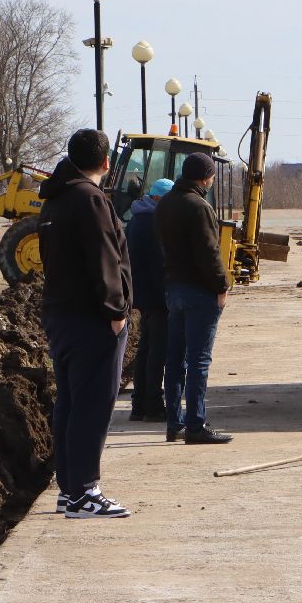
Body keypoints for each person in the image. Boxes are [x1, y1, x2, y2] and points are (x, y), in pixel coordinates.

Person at [37, 129, 134, 518]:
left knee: (71, 403)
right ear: (107, 162)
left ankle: (69, 486)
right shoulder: (90, 199)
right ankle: (83, 491)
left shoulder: (55, 199)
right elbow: (104, 258)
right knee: (93, 404)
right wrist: (116, 311)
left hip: (61, 314)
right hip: (92, 319)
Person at [157, 151, 233, 445]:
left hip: (173, 289)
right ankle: (196, 425)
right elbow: (208, 252)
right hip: (199, 293)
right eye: (212, 175)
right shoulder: (199, 206)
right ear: (205, 177)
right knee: (199, 361)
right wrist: (222, 285)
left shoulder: (165, 204)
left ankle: (174, 423)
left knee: (175, 360)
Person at [125, 177, 174, 423]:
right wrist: (169, 296)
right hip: (156, 296)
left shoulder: (136, 218)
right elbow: (159, 265)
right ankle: (153, 404)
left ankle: (139, 404)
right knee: (158, 351)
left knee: (145, 348)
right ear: (159, 199)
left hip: (142, 294)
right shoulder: (153, 222)